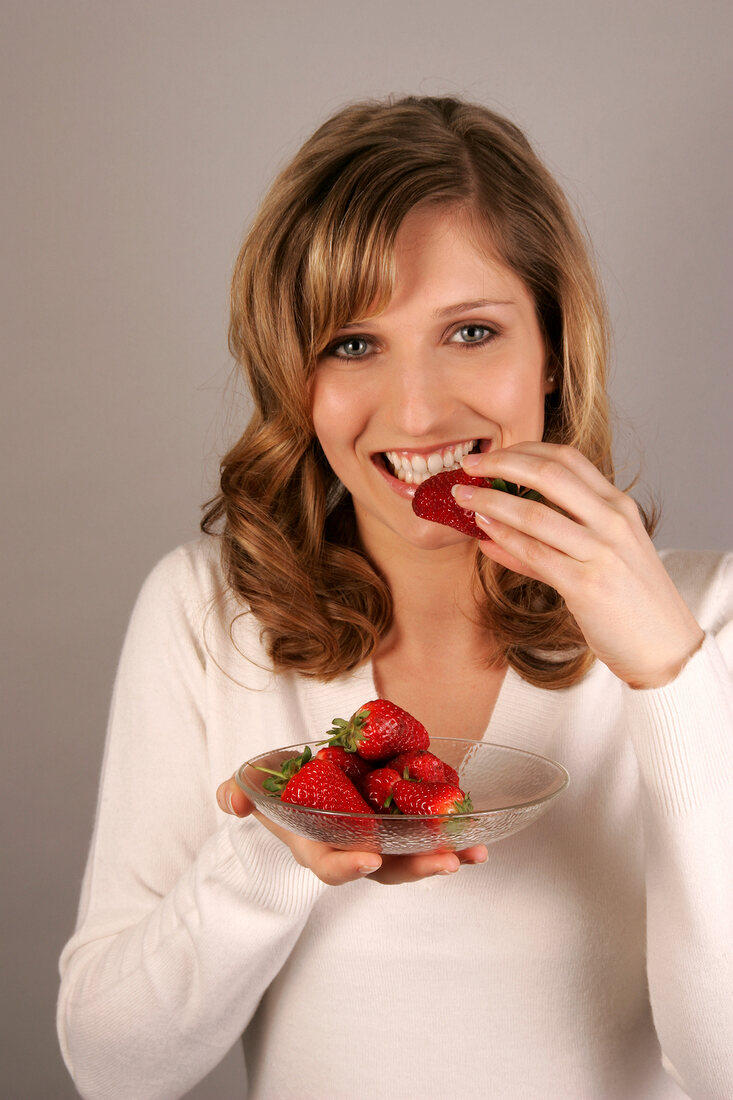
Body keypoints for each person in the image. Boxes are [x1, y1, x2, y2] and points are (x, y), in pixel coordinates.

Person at [57, 96, 733, 1100]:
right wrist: (271, 855)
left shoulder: (707, 612)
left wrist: (668, 677)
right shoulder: (205, 613)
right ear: (293, 377)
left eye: (470, 330)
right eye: (351, 342)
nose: (415, 409)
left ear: (552, 351)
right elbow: (112, 1069)